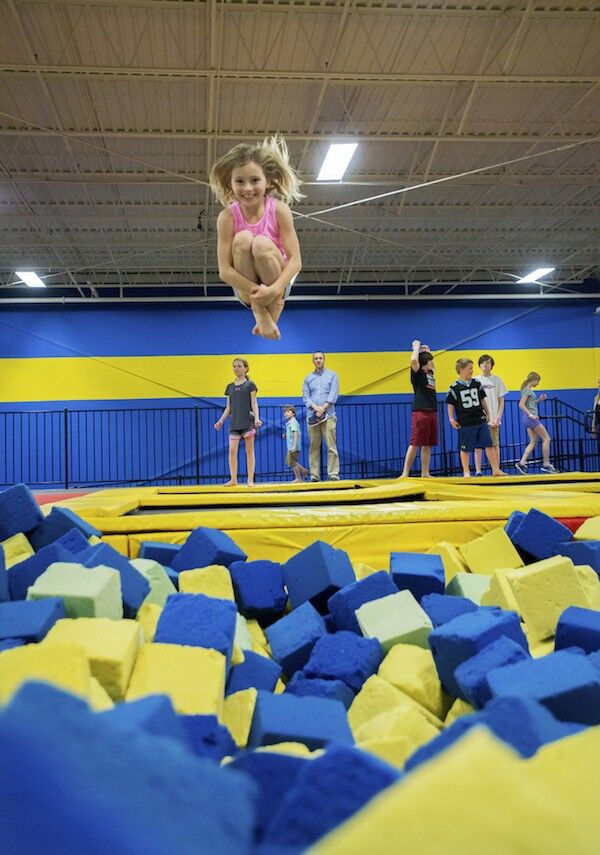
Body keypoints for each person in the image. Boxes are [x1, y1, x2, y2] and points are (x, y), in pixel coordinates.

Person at [210, 136, 303, 341]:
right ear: (230, 183)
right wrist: (260, 300)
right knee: (243, 239)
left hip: (277, 284)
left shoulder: (279, 210)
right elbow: (225, 271)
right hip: (246, 291)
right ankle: (261, 312)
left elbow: (296, 262)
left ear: (267, 181)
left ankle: (274, 304)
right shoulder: (226, 217)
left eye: (255, 180)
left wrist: (274, 290)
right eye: (240, 181)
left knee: (260, 243)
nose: (248, 188)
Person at [446, 358, 504, 478]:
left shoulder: (476, 383)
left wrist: (488, 413)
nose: (472, 371)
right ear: (461, 370)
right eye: (470, 368)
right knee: (465, 448)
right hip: (465, 422)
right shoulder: (454, 387)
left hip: (480, 420)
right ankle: (466, 471)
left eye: (472, 368)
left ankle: (495, 469)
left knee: (488, 444)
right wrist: (451, 419)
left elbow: (482, 399)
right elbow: (450, 404)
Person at [214, 358, 262, 486]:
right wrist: (221, 420)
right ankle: (233, 479)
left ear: (245, 368)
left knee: (249, 451)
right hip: (234, 424)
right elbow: (228, 407)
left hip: (247, 423)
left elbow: (254, 403)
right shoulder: (229, 387)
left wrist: (257, 418)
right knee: (232, 450)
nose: (236, 368)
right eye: (234, 366)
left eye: (239, 366)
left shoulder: (250, 385)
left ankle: (250, 479)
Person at [401, 340, 437, 478]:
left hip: (432, 411)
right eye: (430, 361)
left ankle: (425, 473)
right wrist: (416, 348)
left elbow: (427, 360)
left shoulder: (430, 373)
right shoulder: (418, 374)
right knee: (415, 442)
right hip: (421, 412)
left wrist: (427, 351)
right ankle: (405, 473)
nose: (432, 363)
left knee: (427, 444)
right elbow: (414, 360)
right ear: (424, 363)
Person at [302, 352, 340, 482]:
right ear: (313, 361)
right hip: (313, 417)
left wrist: (323, 408)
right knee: (314, 447)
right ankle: (314, 476)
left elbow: (334, 393)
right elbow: (306, 398)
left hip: (329, 415)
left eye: (320, 358)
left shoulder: (332, 375)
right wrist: (316, 408)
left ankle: (333, 474)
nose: (318, 360)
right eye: (316, 358)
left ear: (324, 360)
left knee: (331, 446)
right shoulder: (308, 378)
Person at [515, 372, 558, 474]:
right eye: (537, 381)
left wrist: (540, 400)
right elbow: (521, 404)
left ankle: (522, 463)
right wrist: (531, 415)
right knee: (547, 439)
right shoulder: (528, 391)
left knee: (533, 442)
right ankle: (546, 464)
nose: (538, 383)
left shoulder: (527, 390)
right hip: (531, 419)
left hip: (528, 419)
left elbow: (530, 403)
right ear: (533, 380)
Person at [474, 353, 507, 476]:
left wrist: (498, 418)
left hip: (494, 419)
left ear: (491, 365)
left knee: (495, 444)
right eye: (482, 362)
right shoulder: (476, 381)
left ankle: (496, 469)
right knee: (478, 446)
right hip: (480, 419)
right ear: (479, 365)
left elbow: (501, 400)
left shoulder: (497, 380)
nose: (485, 365)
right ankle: (478, 471)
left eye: (488, 362)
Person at [283, 404, 309, 483]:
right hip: (291, 446)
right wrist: (286, 435)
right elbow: (292, 433)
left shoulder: (293, 422)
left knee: (292, 462)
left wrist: (294, 446)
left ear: (293, 413)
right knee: (291, 461)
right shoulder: (290, 423)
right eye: (284, 412)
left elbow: (296, 433)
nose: (285, 414)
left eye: (288, 412)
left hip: (293, 446)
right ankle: (304, 471)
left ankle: (298, 478)